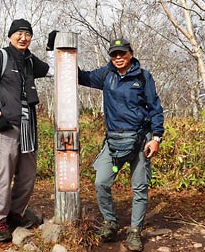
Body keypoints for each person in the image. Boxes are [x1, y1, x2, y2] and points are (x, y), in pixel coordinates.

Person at [78, 37, 165, 252]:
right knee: (101, 182)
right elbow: (81, 77)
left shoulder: (143, 78)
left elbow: (155, 108)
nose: (118, 58)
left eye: (122, 53)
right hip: (114, 141)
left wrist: (156, 138)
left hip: (139, 141)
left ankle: (135, 231)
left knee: (140, 187)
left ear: (130, 54)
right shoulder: (106, 75)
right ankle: (110, 222)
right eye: (114, 54)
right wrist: (60, 53)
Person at [0, 19, 56, 242]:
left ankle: (15, 214)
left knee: (28, 175)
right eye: (19, 33)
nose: (24, 37)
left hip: (27, 127)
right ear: (11, 36)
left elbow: (52, 71)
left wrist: (51, 50)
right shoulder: (1, 56)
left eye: (28, 34)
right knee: (2, 175)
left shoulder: (30, 60)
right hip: (5, 125)